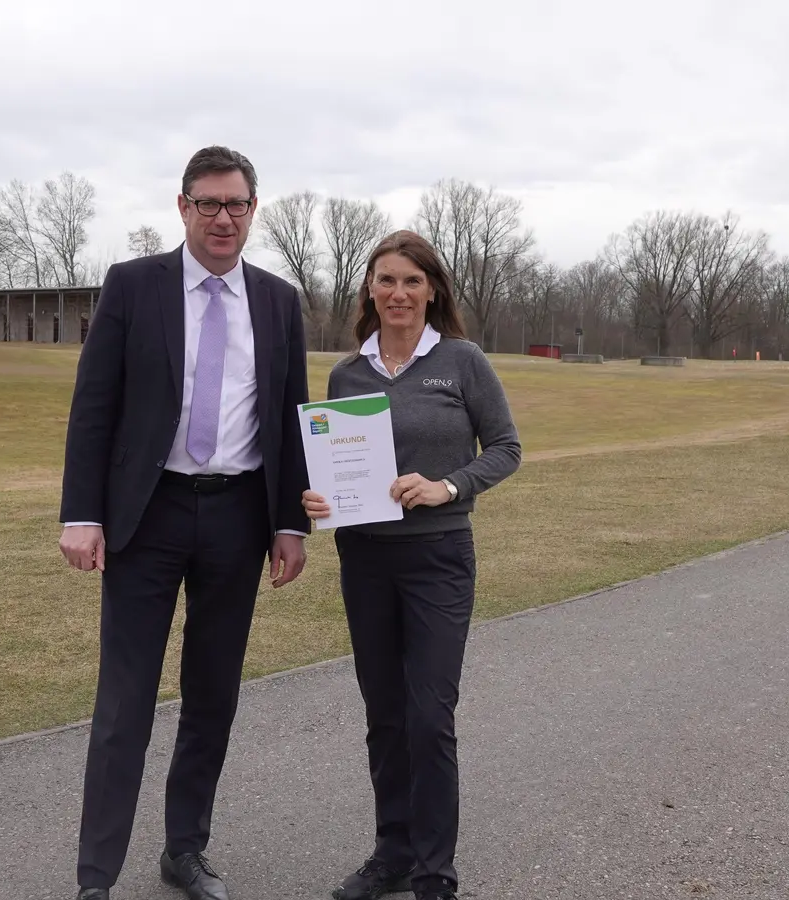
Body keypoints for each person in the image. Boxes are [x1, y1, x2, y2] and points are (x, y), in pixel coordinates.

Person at [58, 145, 312, 900]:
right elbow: (94, 406)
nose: (223, 218)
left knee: (212, 696)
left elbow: (292, 417)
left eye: (236, 204)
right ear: (183, 208)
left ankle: (185, 851)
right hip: (149, 515)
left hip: (238, 516)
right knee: (124, 703)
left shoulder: (277, 300)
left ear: (253, 210)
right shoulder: (134, 286)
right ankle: (96, 876)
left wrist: (290, 524)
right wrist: (82, 513)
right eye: (208, 204)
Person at [302, 230, 522, 900]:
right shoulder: (349, 372)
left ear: (433, 291)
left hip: (437, 557)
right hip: (364, 559)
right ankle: (391, 855)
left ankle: (434, 873)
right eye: (387, 280)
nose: (398, 293)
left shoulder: (461, 361)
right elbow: (339, 463)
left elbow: (506, 448)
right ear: (369, 288)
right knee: (386, 716)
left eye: (412, 282)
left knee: (429, 716)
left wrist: (446, 485)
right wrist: (315, 496)